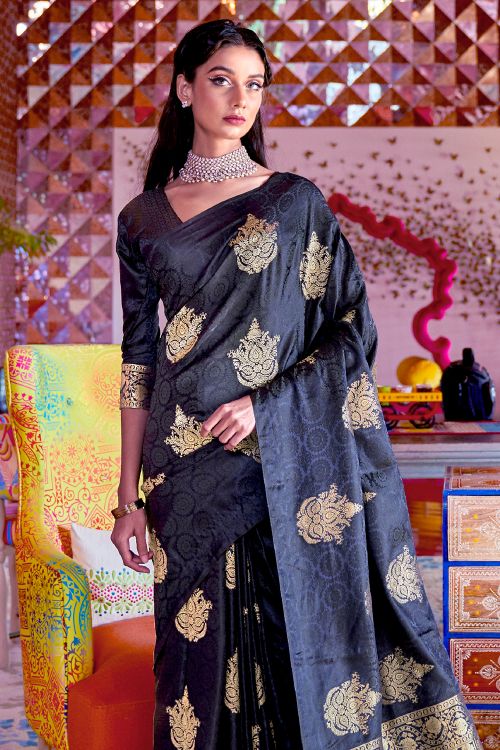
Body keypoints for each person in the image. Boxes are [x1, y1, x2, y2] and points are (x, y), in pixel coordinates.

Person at [111, 18, 481, 750]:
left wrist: (267, 407)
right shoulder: (142, 218)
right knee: (194, 666)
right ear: (184, 89)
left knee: (294, 647)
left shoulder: (292, 202)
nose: (239, 99)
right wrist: (128, 499)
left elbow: (350, 329)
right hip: (183, 472)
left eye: (254, 85)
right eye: (221, 80)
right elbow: (137, 360)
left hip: (278, 460)